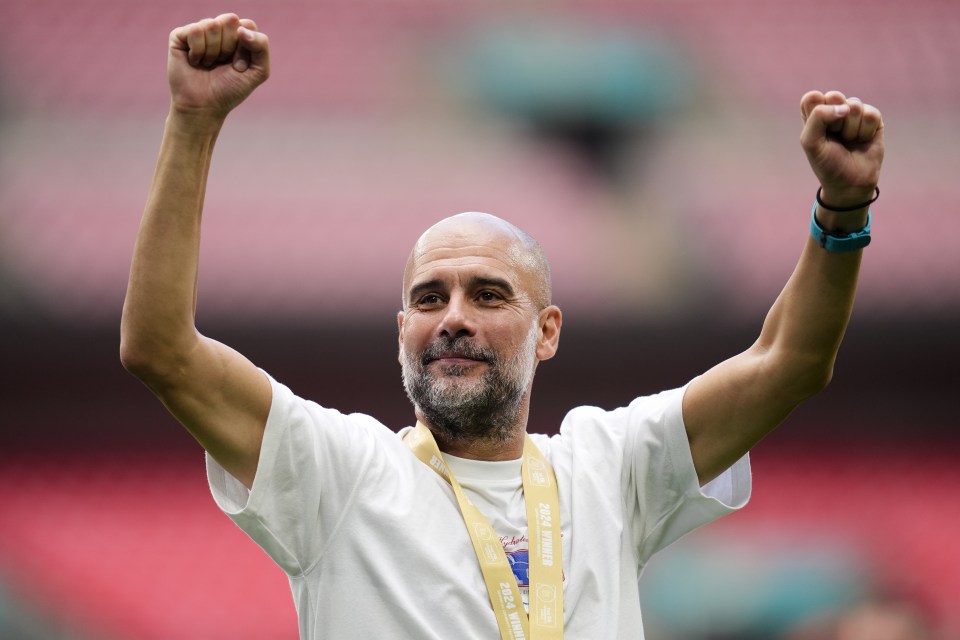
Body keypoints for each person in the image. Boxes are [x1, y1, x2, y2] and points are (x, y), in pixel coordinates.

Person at [119, 13, 885, 640]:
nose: (452, 317)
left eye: (488, 295)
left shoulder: (610, 467)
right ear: (401, 332)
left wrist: (841, 214)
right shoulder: (339, 475)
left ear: (547, 330)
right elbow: (161, 350)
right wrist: (193, 121)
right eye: (428, 298)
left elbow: (789, 362)